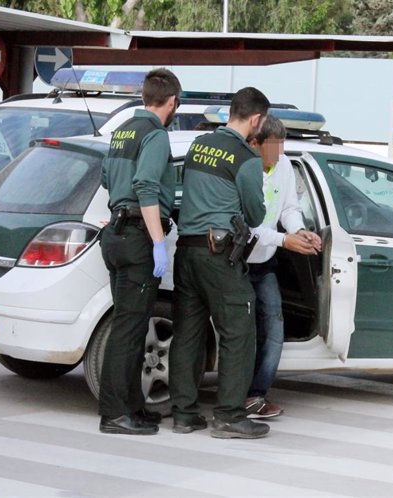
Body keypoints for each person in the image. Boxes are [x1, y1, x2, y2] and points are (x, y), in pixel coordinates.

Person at [169, 87, 270, 439]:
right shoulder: (247, 158)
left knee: (187, 334)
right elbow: (256, 214)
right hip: (219, 255)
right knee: (239, 333)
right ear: (256, 119)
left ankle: (183, 414)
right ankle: (228, 416)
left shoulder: (199, 145)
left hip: (186, 251)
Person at [98, 68, 181, 435]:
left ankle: (133, 406)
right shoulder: (156, 135)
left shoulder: (122, 131)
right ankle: (115, 414)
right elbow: (146, 187)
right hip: (137, 238)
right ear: (172, 102)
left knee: (129, 326)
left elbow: (106, 179)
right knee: (129, 332)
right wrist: (158, 243)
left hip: (116, 235)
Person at [244, 115, 321, 419]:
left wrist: (299, 231)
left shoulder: (285, 166)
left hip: (265, 261)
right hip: (238, 261)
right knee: (241, 333)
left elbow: (289, 208)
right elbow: (246, 226)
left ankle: (256, 395)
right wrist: (285, 241)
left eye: (281, 145)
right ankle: (232, 393)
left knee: (274, 325)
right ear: (255, 144)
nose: (278, 152)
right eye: (273, 146)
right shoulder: (245, 169)